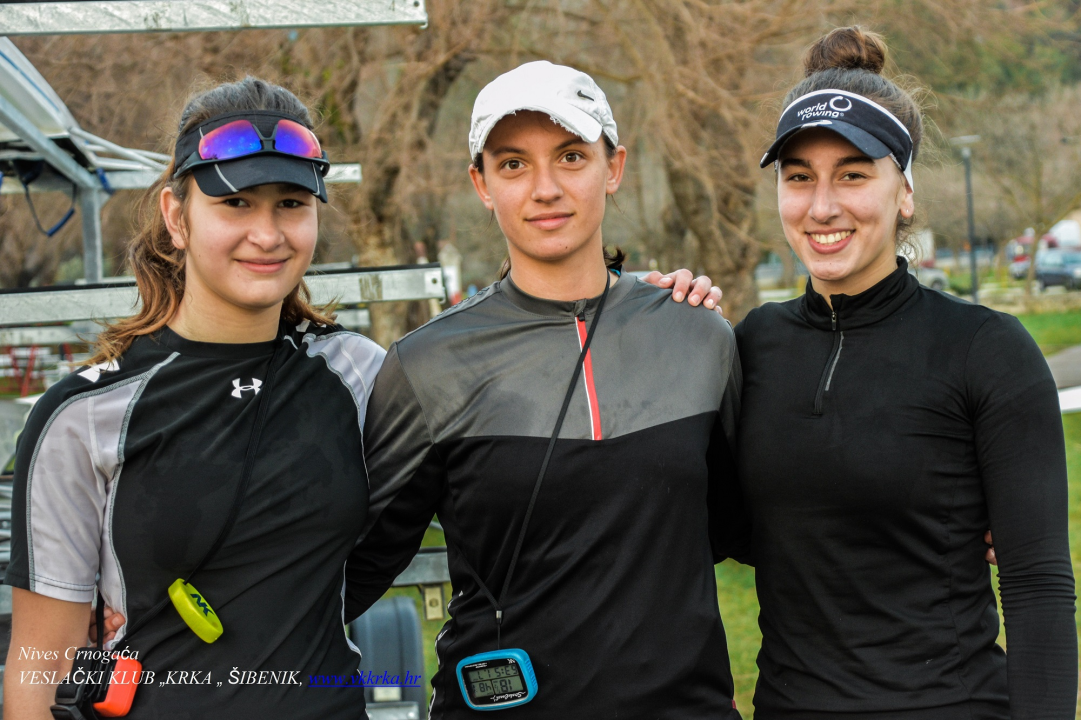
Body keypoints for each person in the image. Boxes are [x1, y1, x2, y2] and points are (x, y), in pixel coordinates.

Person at [342, 61, 747, 718]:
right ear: (480, 183)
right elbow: (352, 567)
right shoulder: (426, 365)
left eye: (570, 156)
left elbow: (752, 524)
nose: (545, 188)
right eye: (512, 165)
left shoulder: (699, 334)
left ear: (613, 167)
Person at [4, 76, 387, 719]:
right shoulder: (82, 416)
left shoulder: (360, 376)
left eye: (291, 203)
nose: (267, 234)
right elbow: (39, 667)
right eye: (235, 204)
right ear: (176, 217)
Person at [737, 27, 1076, 719]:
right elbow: (701, 522)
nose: (821, 206)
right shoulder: (748, 348)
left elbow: (1037, 585)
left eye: (853, 174)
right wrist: (645, 316)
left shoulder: (984, 349)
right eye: (798, 177)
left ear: (905, 192)